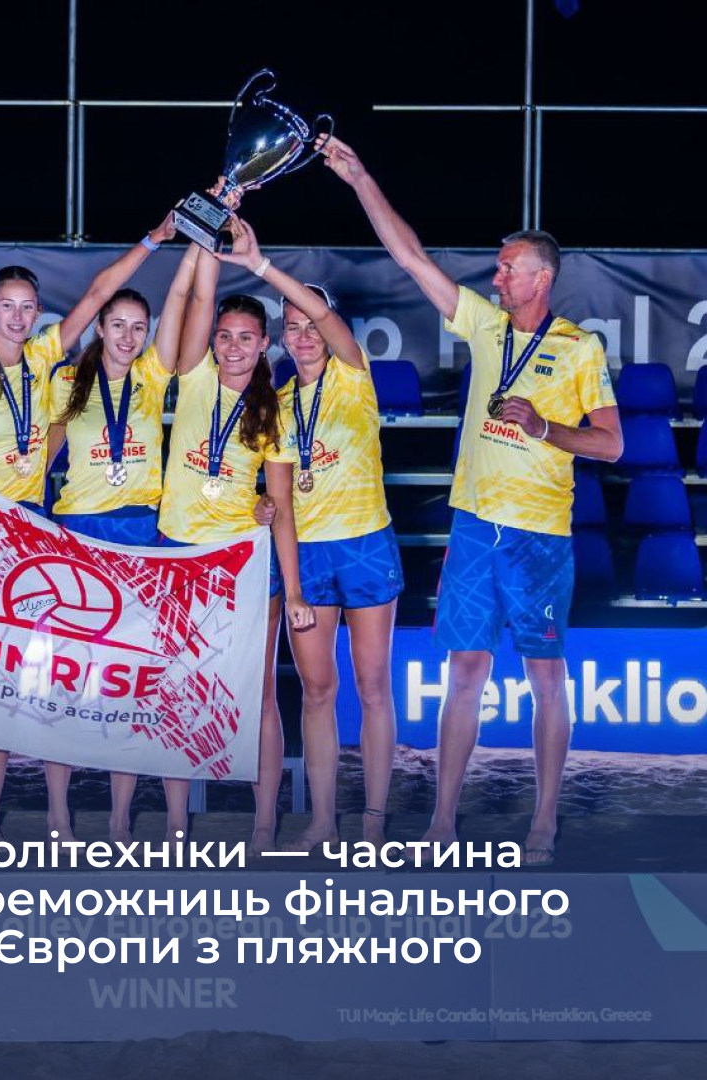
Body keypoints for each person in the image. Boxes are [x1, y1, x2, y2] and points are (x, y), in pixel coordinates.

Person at [319, 135, 623, 865]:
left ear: (540, 277)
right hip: (477, 528)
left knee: (546, 676)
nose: (497, 274)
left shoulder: (579, 349)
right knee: (464, 673)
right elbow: (410, 257)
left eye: (508, 268)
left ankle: (544, 823)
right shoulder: (485, 326)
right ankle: (443, 821)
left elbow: (610, 445)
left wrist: (547, 426)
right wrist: (361, 178)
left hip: (540, 533)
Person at [0, 215, 178, 854]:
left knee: (10, 679)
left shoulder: (44, 359)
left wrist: (151, 241)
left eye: (27, 307)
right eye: (7, 306)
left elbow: (97, 294)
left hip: (34, 526)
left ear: (36, 314)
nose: (17, 317)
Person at [218, 217, 403, 852]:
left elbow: (327, 324)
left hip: (366, 544)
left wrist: (262, 263)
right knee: (319, 692)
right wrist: (266, 513)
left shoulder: (355, 376)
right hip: (310, 556)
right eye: (290, 327)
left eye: (311, 324)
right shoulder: (280, 403)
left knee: (374, 689)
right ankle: (324, 820)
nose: (302, 336)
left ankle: (374, 822)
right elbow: (279, 497)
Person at [159, 241, 316, 852]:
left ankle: (264, 821)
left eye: (245, 338)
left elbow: (281, 510)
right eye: (224, 335)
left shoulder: (274, 411)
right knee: (179, 688)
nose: (231, 346)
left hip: (245, 566)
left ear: (264, 344)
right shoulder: (195, 373)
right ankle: (176, 823)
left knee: (259, 695)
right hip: (179, 553)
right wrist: (208, 240)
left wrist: (295, 588)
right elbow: (198, 295)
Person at [49, 244, 197, 843]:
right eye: (118, 325)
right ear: (101, 328)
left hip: (140, 532)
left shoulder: (153, 375)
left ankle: (118, 815)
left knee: (134, 681)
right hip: (79, 531)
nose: (129, 336)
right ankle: (58, 809)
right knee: (67, 679)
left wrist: (193, 248)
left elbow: (183, 301)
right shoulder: (66, 381)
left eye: (139, 327)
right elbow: (44, 457)